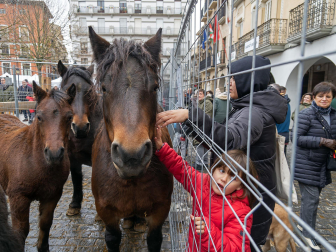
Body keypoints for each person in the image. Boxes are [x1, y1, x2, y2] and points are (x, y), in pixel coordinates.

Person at [156, 55, 288, 251]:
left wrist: (190, 115)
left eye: (234, 77)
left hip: (246, 200)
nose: (230, 82)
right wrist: (162, 148)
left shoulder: (253, 112)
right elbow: (184, 170)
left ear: (248, 80)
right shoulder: (249, 106)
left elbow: (230, 140)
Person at [154, 126, 258, 252]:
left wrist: (209, 232)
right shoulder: (203, 182)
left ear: (241, 185)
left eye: (233, 177)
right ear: (213, 169)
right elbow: (181, 168)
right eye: (221, 170)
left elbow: (236, 248)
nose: (224, 179)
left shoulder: (241, 213)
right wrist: (162, 148)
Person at [294, 82, 336, 252]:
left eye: (328, 96)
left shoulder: (333, 115)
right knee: (311, 200)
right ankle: (307, 235)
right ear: (314, 97)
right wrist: (322, 141)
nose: (324, 99)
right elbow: (297, 138)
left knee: (312, 200)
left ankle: (305, 227)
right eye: (321, 96)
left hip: (322, 165)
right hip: (307, 164)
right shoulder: (306, 114)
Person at [193, 89, 213, 171]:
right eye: (198, 94)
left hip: (204, 127)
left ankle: (199, 164)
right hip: (201, 126)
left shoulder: (207, 103)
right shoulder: (201, 103)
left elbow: (205, 115)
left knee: (200, 145)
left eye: (200, 94)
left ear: (204, 95)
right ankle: (204, 163)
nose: (199, 96)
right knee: (203, 145)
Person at [276, 86, 291, 156]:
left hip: (278, 131)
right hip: (285, 131)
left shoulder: (279, 103)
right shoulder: (287, 102)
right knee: (282, 155)